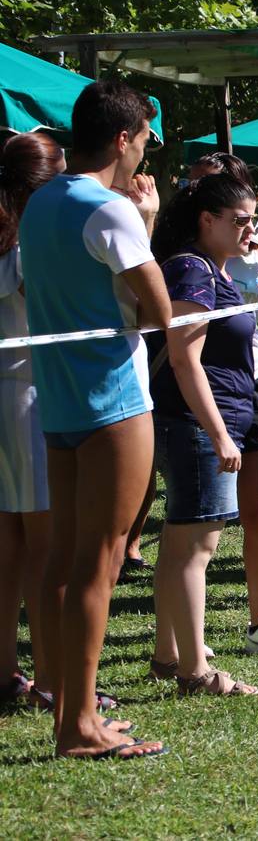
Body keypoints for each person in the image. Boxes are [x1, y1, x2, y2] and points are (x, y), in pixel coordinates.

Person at [20, 79, 172, 758]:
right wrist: (151, 217)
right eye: (143, 140)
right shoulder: (109, 208)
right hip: (112, 400)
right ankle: (79, 725)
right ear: (121, 138)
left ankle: (66, 709)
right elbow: (161, 310)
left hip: (58, 403)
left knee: (61, 561)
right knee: (98, 564)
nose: (144, 153)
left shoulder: (39, 202)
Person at [144, 174, 258, 696]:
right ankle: (196, 672)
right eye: (239, 221)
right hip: (196, 423)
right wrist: (219, 434)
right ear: (207, 221)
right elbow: (183, 357)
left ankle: (168, 655)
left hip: (204, 421)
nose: (250, 230)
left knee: (181, 545)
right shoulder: (192, 272)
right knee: (198, 546)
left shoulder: (211, 270)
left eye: (253, 220)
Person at [181, 151, 258, 660]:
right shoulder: (186, 256)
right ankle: (189, 633)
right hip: (206, 384)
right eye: (196, 188)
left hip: (253, 383)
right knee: (200, 521)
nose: (198, 195)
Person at [0, 133, 64, 712]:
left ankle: (8, 671)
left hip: (10, 395)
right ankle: (49, 679)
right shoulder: (27, 242)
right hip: (24, 395)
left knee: (9, 544)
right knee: (44, 546)